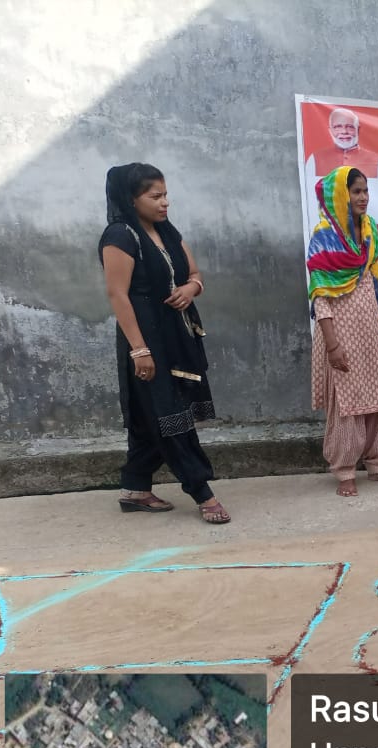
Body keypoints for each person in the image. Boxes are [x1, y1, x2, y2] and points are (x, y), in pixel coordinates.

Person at [99, 163, 230, 523]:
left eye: (165, 195)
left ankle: (135, 487)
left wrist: (191, 288)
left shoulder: (165, 231)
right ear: (131, 198)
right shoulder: (120, 236)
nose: (164, 202)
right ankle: (202, 492)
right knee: (171, 417)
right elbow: (118, 295)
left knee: (152, 417)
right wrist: (139, 350)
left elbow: (194, 273)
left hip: (177, 336)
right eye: (155, 196)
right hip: (146, 338)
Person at [306, 166, 378, 497]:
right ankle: (345, 470)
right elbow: (320, 294)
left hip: (372, 329)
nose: (363, 197)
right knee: (347, 401)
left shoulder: (372, 231)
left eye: (365, 191)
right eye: (356, 191)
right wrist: (332, 345)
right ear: (340, 195)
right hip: (339, 330)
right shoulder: (324, 236)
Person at [308, 108, 378, 180]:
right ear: (330, 130)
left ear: (358, 129)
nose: (344, 131)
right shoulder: (315, 159)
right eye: (338, 127)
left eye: (350, 127)